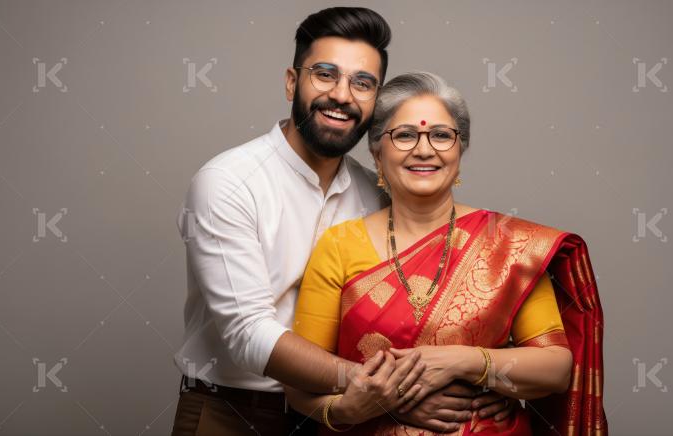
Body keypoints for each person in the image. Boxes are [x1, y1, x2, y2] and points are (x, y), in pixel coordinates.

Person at [171, 8, 513, 435]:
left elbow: (432, 301)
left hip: (347, 420)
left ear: (376, 100)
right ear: (292, 82)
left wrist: (489, 382)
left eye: (362, 83)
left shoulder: (379, 192)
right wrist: (395, 392)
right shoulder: (228, 182)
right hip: (235, 414)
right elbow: (247, 333)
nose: (342, 95)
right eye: (325, 74)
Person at [287, 72, 608, 435]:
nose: (424, 150)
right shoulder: (339, 245)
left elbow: (556, 368)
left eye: (441, 135)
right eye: (405, 135)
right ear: (377, 151)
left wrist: (464, 362)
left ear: (459, 149)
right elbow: (299, 385)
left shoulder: (508, 244)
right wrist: (362, 407)